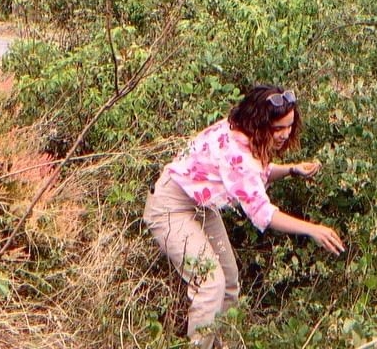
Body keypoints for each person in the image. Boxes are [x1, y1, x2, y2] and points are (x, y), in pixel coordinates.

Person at [143, 85, 345, 348]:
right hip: (170, 207)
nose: (285, 134)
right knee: (210, 284)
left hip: (201, 206)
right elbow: (263, 212)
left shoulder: (241, 132)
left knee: (229, 282)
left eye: (289, 126)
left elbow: (253, 173)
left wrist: (291, 170)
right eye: (278, 128)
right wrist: (312, 229)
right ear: (260, 123)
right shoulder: (237, 152)